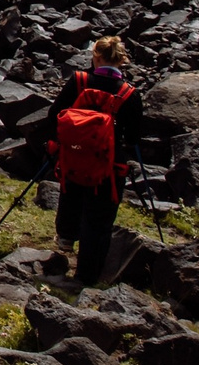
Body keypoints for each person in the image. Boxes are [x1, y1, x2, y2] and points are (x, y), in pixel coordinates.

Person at [46, 36, 144, 287]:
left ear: (96, 56)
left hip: (74, 156)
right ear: (121, 61)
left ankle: (66, 238)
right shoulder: (129, 93)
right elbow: (133, 137)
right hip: (109, 166)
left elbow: (54, 115)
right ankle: (86, 277)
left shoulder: (79, 81)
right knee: (99, 220)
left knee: (72, 194)